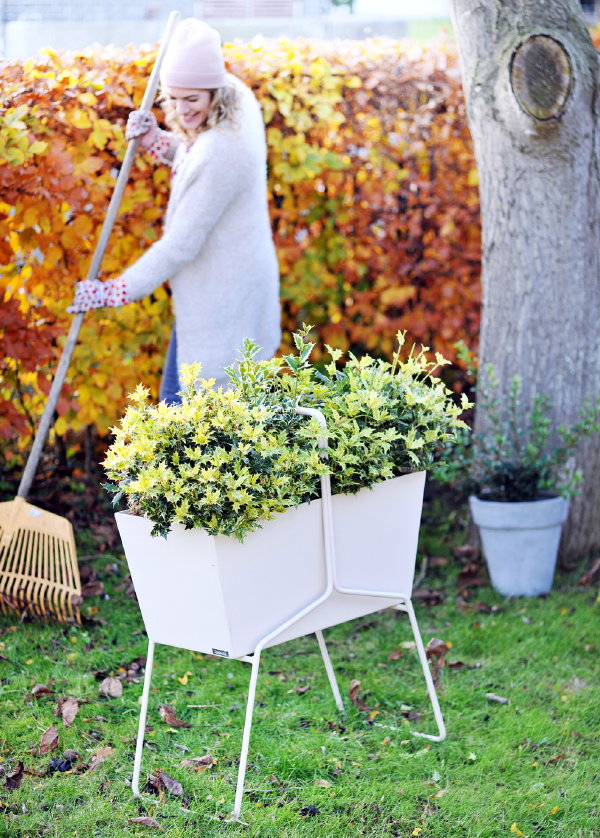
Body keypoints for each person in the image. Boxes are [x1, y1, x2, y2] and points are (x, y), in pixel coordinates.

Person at [68, 18, 281, 401]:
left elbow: (180, 244)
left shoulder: (221, 150)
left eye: (193, 99)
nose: (182, 111)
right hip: (229, 285)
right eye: (173, 98)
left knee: (194, 416)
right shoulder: (237, 99)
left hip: (223, 298)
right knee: (201, 409)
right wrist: (157, 141)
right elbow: (192, 153)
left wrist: (111, 292)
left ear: (214, 92)